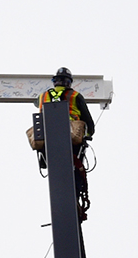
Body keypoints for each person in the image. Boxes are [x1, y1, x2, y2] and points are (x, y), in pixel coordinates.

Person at [35, 67, 95, 220]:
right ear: (69, 82)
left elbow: (38, 108)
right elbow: (89, 123)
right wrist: (88, 135)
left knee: (55, 170)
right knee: (75, 170)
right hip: (70, 137)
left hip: (47, 138)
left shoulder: (42, 96)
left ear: (54, 82)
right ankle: (73, 197)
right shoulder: (75, 96)